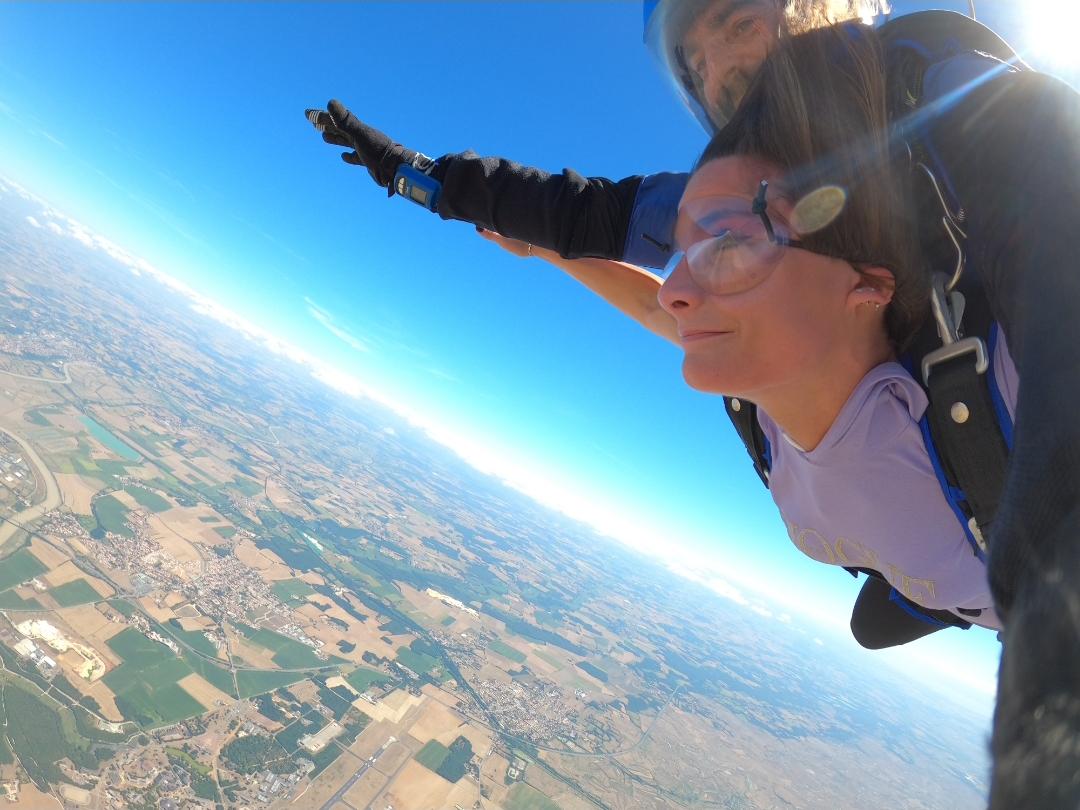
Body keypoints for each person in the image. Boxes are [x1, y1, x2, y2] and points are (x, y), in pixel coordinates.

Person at [310, 4, 1080, 805]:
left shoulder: (952, 134)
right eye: (693, 61)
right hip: (924, 539)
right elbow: (585, 220)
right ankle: (926, 590)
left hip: (1007, 549)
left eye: (737, 24)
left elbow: (1055, 205)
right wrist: (421, 178)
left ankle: (946, 587)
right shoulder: (730, 211)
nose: (721, 75)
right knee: (893, 596)